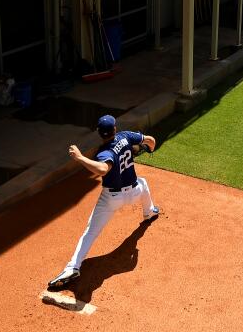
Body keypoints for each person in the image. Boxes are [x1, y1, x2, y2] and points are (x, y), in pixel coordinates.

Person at [47, 114, 159, 290]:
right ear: (115, 128)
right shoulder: (126, 136)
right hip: (134, 191)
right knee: (143, 183)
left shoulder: (104, 152)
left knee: (90, 232)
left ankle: (73, 267)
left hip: (112, 199)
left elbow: (102, 169)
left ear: (99, 132)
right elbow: (151, 140)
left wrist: (79, 157)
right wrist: (149, 148)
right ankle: (150, 212)